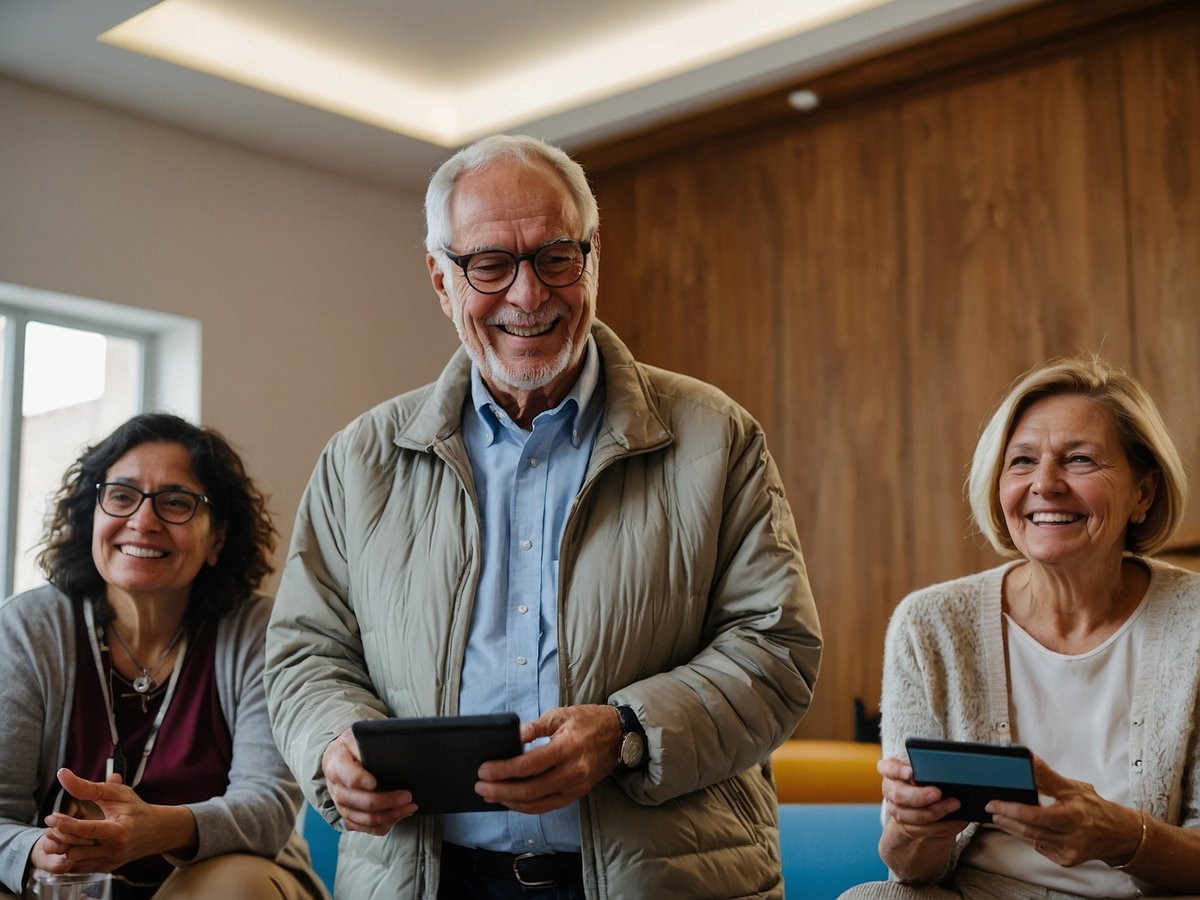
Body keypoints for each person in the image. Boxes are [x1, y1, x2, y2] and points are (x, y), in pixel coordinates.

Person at [264, 133, 823, 899]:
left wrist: (628, 732)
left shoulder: (715, 436)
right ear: (441, 279)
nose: (529, 295)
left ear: (593, 259)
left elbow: (778, 650)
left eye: (556, 257)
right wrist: (334, 746)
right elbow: (305, 653)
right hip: (424, 879)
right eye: (490, 264)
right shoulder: (359, 460)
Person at [841, 356, 1200, 899]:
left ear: (1142, 494)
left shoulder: (1193, 623)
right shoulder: (929, 625)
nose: (1045, 484)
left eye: (1079, 460)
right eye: (1022, 461)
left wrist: (1121, 835)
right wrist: (914, 829)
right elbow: (909, 869)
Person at [0, 414, 328, 900]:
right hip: (61, 884)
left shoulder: (259, 631)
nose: (143, 521)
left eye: (175, 503)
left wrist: (161, 829)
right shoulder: (29, 629)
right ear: (93, 515)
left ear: (217, 538)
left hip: (221, 879)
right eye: (121, 496)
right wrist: (35, 850)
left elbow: (266, 808)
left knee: (235, 886)